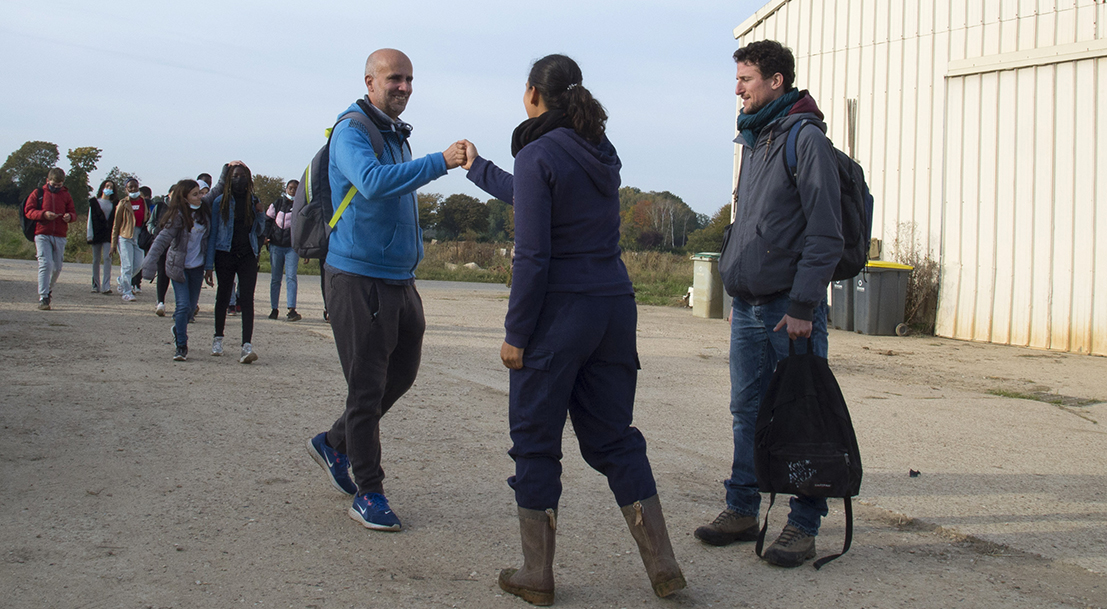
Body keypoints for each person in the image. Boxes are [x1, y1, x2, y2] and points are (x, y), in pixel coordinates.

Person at [463, 54, 685, 602]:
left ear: (533, 93)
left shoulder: (540, 153)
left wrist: (517, 334)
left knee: (536, 444)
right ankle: (664, 566)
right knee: (615, 438)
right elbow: (539, 195)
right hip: (612, 310)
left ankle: (536, 576)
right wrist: (479, 169)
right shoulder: (599, 152)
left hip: (559, 317)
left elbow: (533, 253)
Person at [692, 40, 844, 569]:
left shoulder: (804, 140)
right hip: (752, 307)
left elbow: (826, 234)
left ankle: (803, 525)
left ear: (776, 81)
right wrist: (739, 289)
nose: (738, 88)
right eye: (738, 79)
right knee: (746, 411)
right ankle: (741, 508)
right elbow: (750, 226)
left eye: (747, 79)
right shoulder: (756, 139)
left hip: (790, 310)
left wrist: (803, 305)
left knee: (801, 415)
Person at [305, 48, 467, 533]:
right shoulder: (352, 130)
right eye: (395, 78)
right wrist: (441, 161)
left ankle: (333, 443)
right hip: (358, 276)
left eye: (410, 80)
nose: (404, 88)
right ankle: (368, 491)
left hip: (399, 277)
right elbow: (372, 184)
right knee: (367, 384)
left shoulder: (395, 134)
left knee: (401, 374)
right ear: (370, 82)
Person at [141, 179, 210, 361]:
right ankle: (181, 345)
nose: (200, 196)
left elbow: (216, 190)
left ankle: (177, 328)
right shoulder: (177, 216)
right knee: (182, 306)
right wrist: (149, 264)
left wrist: (227, 168)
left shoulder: (204, 211)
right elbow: (162, 240)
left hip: (197, 267)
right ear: (185, 198)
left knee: (190, 309)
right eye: (195, 194)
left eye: (200, 193)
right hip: (178, 267)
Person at [204, 163, 265, 363]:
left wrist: (260, 213)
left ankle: (246, 345)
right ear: (230, 179)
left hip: (248, 254)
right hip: (225, 253)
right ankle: (218, 338)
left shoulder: (254, 202)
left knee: (247, 299)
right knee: (223, 296)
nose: (240, 179)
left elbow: (259, 231)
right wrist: (208, 265)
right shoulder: (220, 202)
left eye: (243, 176)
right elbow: (213, 234)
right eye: (236, 176)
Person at [25, 168, 76, 310]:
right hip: (42, 233)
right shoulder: (38, 193)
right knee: (45, 263)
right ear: (48, 181)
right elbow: (28, 211)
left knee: (57, 267)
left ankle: (48, 289)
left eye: (59, 186)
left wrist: (69, 217)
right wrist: (43, 214)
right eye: (53, 185)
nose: (56, 188)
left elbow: (73, 212)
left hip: (59, 235)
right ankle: (43, 297)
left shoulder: (66, 195)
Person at [264, 179, 301, 321]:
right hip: (276, 246)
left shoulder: (299, 205)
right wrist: (266, 237)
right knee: (275, 278)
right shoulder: (277, 203)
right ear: (286, 189)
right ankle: (274, 308)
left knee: (291, 277)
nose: (292, 191)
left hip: (291, 247)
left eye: (295, 189)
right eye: (290, 188)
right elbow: (268, 221)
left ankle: (291, 309)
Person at [111, 178, 145, 302]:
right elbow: (116, 224)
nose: (133, 189)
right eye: (130, 187)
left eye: (135, 186)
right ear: (126, 189)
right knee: (127, 265)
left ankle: (121, 280)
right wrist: (113, 243)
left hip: (138, 237)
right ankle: (127, 291)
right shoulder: (123, 203)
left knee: (139, 264)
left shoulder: (143, 202)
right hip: (125, 236)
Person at [87, 180, 118, 295]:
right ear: (102, 188)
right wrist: (89, 235)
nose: (109, 188)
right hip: (96, 233)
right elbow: (90, 219)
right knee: (96, 260)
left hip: (108, 234)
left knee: (107, 258)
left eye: (111, 187)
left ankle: (106, 286)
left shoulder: (114, 204)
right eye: (107, 186)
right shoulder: (94, 202)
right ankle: (95, 284)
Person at [147, 187, 171, 316]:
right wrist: (154, 232)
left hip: (177, 247)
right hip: (161, 244)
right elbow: (150, 222)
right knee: (162, 273)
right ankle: (160, 300)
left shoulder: (183, 208)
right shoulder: (160, 206)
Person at [133, 185, 155, 292]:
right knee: (142, 260)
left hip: (137, 233)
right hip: (148, 237)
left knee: (133, 259)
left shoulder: (140, 204)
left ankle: (132, 282)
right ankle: (137, 283)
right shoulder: (153, 206)